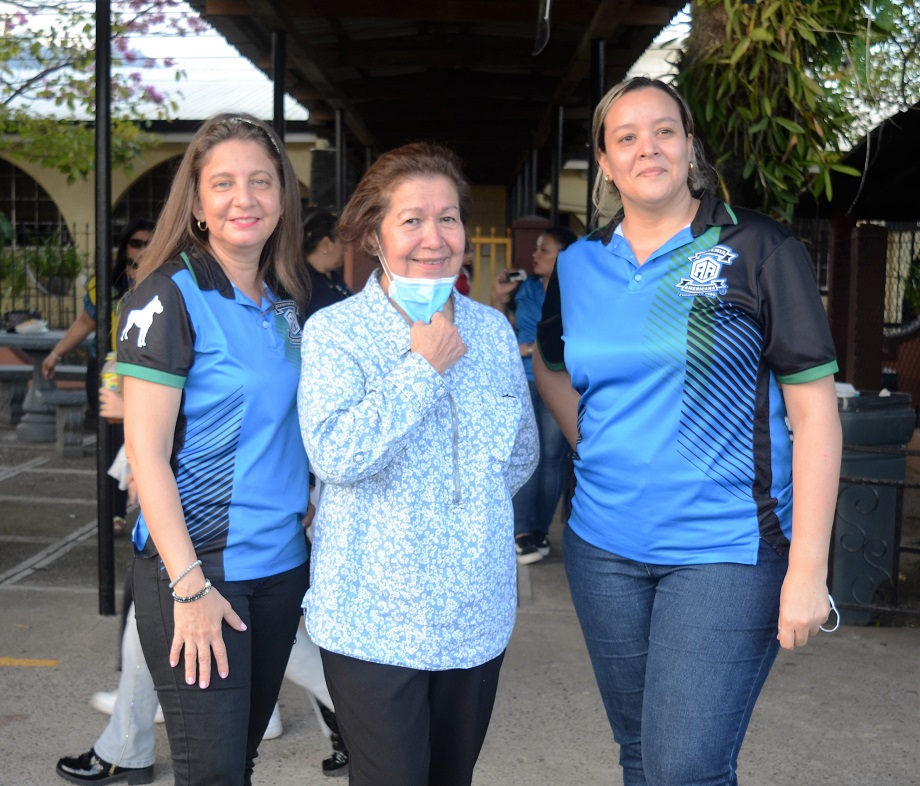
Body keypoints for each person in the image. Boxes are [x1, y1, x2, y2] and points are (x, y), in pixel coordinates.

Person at [533, 76, 842, 786]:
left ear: (690, 146)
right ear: (605, 164)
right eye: (627, 137)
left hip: (726, 551)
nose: (650, 148)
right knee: (640, 753)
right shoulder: (579, 266)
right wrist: (596, 445)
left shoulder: (756, 248)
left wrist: (808, 569)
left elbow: (816, 413)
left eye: (665, 131)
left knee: (685, 767)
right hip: (602, 550)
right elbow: (550, 366)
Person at [297, 141, 538, 786]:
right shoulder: (335, 332)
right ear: (375, 235)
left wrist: (464, 516)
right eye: (411, 220)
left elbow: (518, 455)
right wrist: (422, 368)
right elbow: (335, 455)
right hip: (374, 615)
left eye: (449, 217)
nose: (434, 237)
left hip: (475, 612)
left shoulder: (491, 331)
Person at [117, 112, 311, 786]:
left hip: (282, 570)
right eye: (223, 183)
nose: (245, 198)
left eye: (262, 181)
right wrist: (189, 586)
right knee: (213, 775)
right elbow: (144, 455)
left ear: (282, 197)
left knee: (239, 765)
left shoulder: (286, 305)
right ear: (197, 204)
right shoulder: (168, 297)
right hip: (203, 573)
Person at [42, 218, 155, 534]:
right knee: (113, 441)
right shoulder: (106, 282)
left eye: (149, 242)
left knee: (150, 442)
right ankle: (115, 514)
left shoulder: (167, 278)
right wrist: (55, 354)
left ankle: (154, 513)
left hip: (149, 373)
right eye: (136, 243)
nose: (142, 249)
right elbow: (85, 322)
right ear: (124, 246)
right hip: (107, 372)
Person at [492, 226, 577, 564]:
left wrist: (534, 348)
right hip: (523, 379)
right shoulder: (524, 288)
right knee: (525, 453)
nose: (535, 255)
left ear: (564, 256)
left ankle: (539, 530)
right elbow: (498, 332)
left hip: (561, 379)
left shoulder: (576, 288)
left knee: (553, 457)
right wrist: (500, 298)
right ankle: (521, 531)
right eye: (537, 249)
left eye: (545, 250)